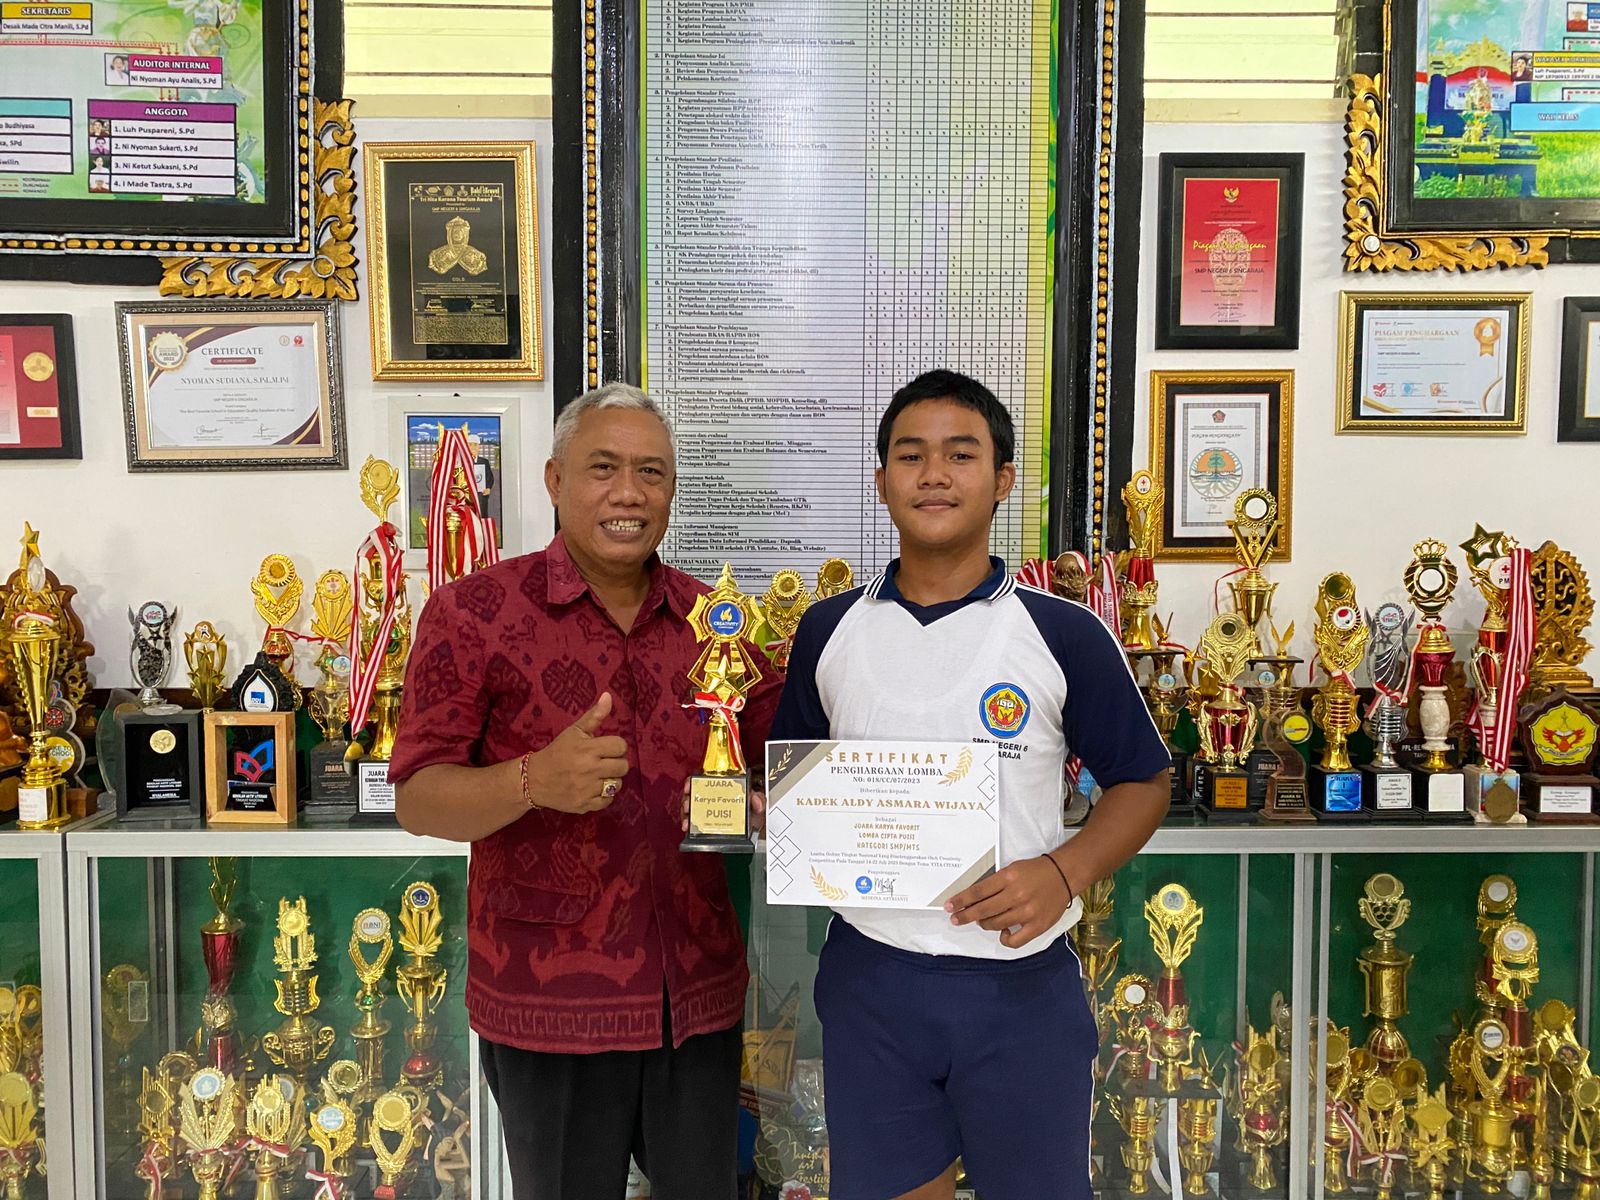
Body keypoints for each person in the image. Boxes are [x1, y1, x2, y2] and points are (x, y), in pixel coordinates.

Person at [770, 369, 1171, 1200]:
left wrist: (1063, 871)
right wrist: (760, 811)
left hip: (1018, 983)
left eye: (961, 454)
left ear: (1003, 480)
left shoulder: (1062, 632)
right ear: (881, 480)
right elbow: (797, 782)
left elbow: (1144, 780)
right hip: (871, 979)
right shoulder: (827, 629)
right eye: (910, 455)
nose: (934, 475)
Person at [389, 381, 782, 1200]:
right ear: (554, 479)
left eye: (652, 472)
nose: (629, 493)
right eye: (604, 468)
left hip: (695, 1001)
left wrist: (766, 803)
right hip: (549, 1005)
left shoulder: (716, 622)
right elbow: (418, 797)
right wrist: (532, 779)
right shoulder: (473, 613)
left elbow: (780, 761)